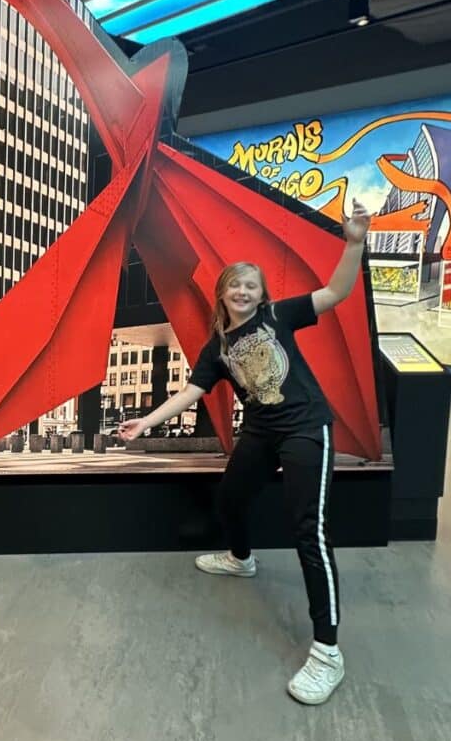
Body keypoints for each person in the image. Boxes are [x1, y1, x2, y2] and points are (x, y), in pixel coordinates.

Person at [119, 199, 372, 707]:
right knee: (231, 500)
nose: (242, 291)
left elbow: (337, 292)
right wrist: (146, 420)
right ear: (223, 293)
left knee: (309, 533)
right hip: (260, 431)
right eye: (235, 284)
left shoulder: (281, 315)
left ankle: (327, 651)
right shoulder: (217, 346)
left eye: (251, 285)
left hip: (304, 428)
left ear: (261, 294)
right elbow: (193, 392)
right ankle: (240, 558)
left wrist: (354, 242)